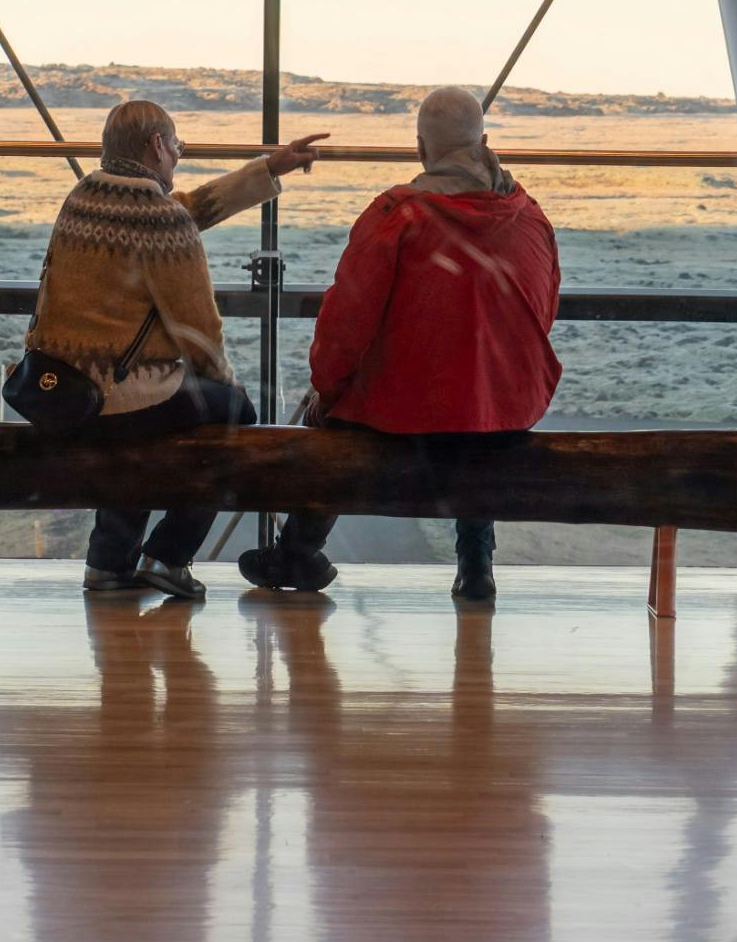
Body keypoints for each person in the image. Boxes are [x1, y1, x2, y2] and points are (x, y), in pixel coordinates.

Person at [240, 87, 559, 607]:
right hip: (504, 407)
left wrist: (328, 389)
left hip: (407, 410)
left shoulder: (396, 217)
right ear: (484, 142)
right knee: (475, 411)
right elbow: (543, 311)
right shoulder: (528, 216)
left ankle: (296, 552)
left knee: (333, 418)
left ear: (420, 148)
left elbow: (346, 321)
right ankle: (475, 565)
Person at [19, 98, 328, 599]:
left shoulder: (82, 198)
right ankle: (169, 555)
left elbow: (186, 210)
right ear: (157, 145)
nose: (180, 153)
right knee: (231, 416)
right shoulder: (160, 220)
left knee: (146, 421)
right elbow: (199, 331)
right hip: (114, 395)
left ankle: (108, 563)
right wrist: (226, 384)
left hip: (61, 388)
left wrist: (271, 167)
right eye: (177, 143)